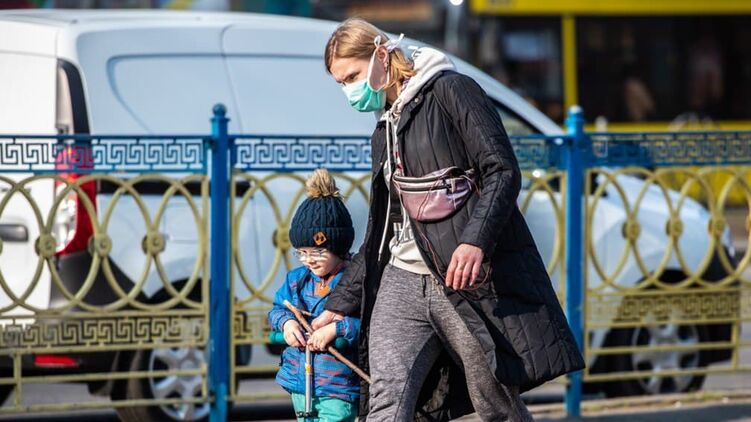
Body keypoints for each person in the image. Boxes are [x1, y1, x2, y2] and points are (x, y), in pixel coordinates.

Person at [312, 18, 585, 421]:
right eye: (340, 83)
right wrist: (340, 304)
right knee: (387, 395)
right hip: (402, 279)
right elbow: (382, 226)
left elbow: (502, 170)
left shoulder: (451, 90)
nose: (349, 91)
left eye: (352, 77)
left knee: (492, 398)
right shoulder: (385, 124)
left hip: (460, 280)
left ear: (381, 55)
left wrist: (475, 242)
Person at [268, 169, 360, 422]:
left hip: (338, 385)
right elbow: (277, 309)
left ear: (338, 247)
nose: (309, 260)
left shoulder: (355, 282)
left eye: (318, 252)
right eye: (302, 252)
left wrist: (337, 330)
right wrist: (286, 324)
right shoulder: (296, 280)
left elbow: (370, 323)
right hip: (299, 380)